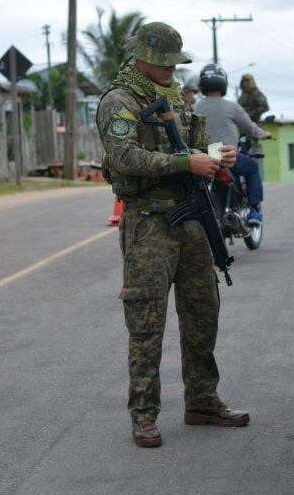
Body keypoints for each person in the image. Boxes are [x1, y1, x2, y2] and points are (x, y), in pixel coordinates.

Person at [96, 22, 250, 449]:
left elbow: (196, 142)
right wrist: (187, 164)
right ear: (142, 57)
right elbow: (125, 157)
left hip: (193, 220)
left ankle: (202, 401)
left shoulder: (177, 98)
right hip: (149, 223)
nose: (170, 69)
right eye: (163, 62)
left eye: (174, 63)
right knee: (146, 321)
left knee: (203, 313)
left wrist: (218, 155)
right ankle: (144, 415)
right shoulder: (119, 101)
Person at [194, 63, 271, 225]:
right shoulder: (231, 106)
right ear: (223, 83)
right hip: (225, 156)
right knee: (252, 167)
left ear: (202, 85)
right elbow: (250, 128)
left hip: (200, 158)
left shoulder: (193, 108)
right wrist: (264, 134)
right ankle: (255, 210)